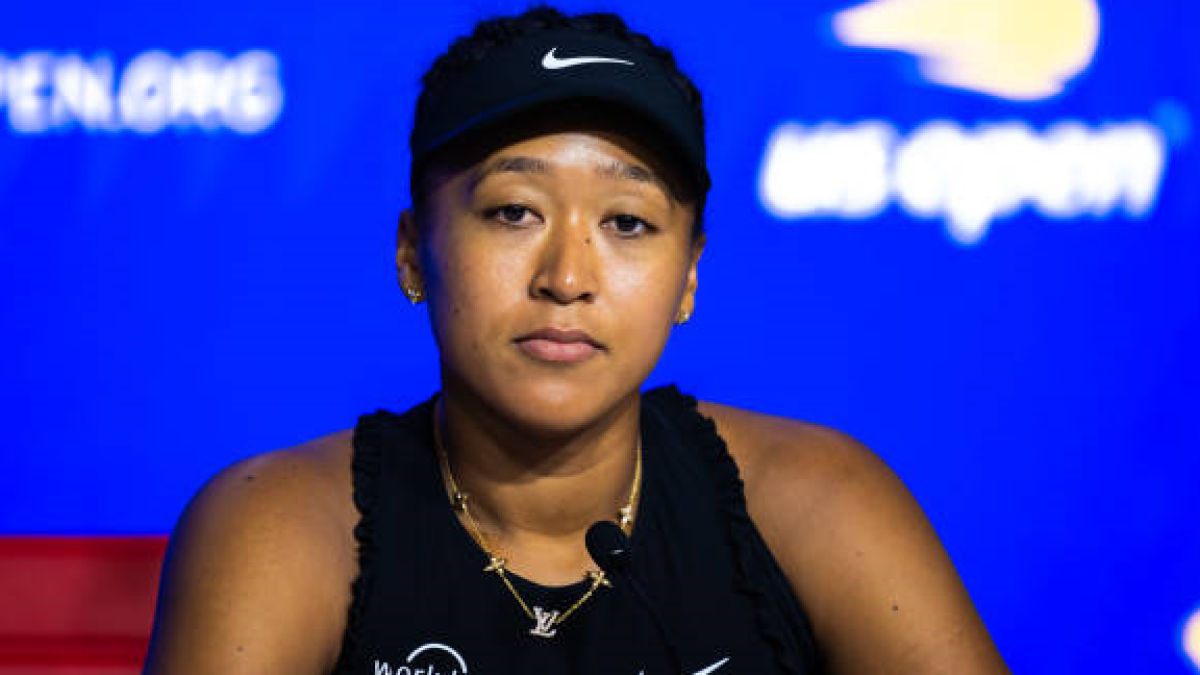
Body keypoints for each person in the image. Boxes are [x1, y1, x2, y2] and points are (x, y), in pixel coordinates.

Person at [143, 7, 1009, 674]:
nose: (568, 275)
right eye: (513, 211)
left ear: (690, 278)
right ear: (413, 252)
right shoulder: (285, 525)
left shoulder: (819, 502)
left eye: (628, 223)